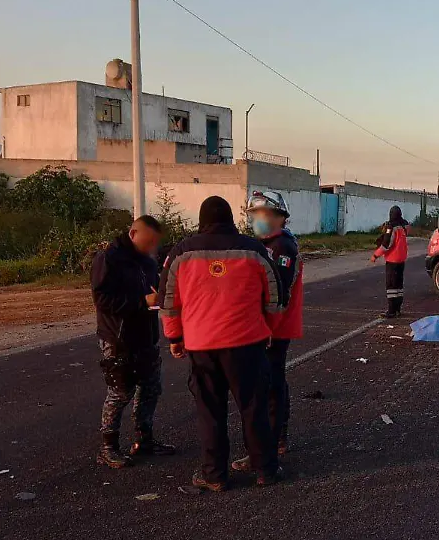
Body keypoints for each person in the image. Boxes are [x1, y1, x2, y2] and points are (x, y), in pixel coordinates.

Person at [158, 196, 286, 492]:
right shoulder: (254, 250)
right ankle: (265, 470)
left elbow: (168, 302)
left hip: (202, 346)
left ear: (202, 221)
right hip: (247, 343)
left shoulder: (182, 252)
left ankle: (214, 475)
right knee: (254, 407)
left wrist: (175, 337)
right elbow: (276, 298)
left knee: (210, 411)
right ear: (231, 219)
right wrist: (268, 328)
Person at [90, 215, 174, 468]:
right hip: (118, 338)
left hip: (146, 334)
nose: (152, 248)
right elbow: (103, 301)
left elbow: (152, 290)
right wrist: (141, 301)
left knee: (150, 387)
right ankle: (108, 447)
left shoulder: (147, 262)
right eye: (148, 242)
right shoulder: (109, 259)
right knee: (120, 391)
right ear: (133, 233)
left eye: (155, 244)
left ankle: (144, 439)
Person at [231, 191, 303, 474]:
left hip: (273, 326)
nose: (257, 221)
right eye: (253, 216)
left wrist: (268, 327)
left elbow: (279, 292)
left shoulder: (281, 247)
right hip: (268, 324)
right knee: (273, 383)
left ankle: (267, 446)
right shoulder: (266, 245)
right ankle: (276, 439)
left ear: (278, 217)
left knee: (267, 386)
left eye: (262, 215)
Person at [370, 205, 410, 318]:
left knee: (391, 286)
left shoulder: (392, 227)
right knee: (399, 285)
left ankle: (391, 311)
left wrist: (375, 255)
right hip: (402, 259)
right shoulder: (403, 226)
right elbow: (406, 226)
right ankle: (397, 309)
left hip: (392, 260)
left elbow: (387, 244)